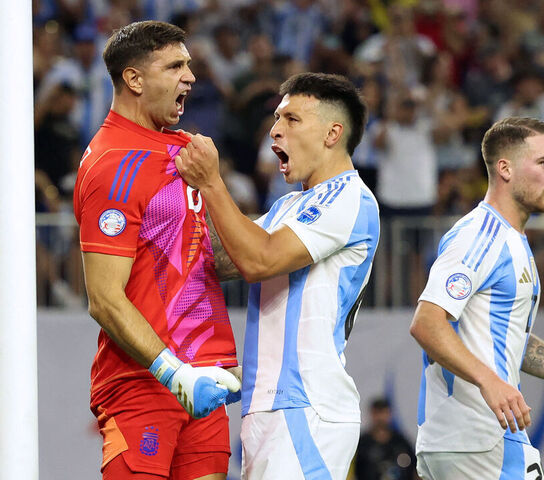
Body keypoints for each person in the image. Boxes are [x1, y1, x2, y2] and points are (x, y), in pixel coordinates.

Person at [176, 72, 380, 480]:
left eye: (291, 119)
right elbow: (221, 260)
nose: (275, 129)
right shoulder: (289, 207)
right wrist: (175, 199)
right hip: (269, 407)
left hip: (307, 407)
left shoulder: (349, 198)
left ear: (331, 133)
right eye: (276, 118)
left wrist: (212, 183)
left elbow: (259, 261)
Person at [73, 21, 241, 480]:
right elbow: (104, 297)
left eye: (188, 65)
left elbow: (221, 258)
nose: (190, 76)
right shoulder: (113, 164)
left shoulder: (189, 152)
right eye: (175, 66)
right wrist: (172, 373)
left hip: (205, 379)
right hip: (144, 381)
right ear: (135, 80)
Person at [409, 117, 544, 479]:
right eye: (543, 163)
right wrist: (489, 381)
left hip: (479, 436)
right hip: (478, 435)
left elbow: (498, 334)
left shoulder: (511, 240)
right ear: (505, 168)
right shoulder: (481, 235)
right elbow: (427, 323)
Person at [354, 397, 417, 480]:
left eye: (383, 413)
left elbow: (415, 470)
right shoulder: (362, 444)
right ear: (371, 414)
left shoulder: (401, 442)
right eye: (377, 413)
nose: (380, 418)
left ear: (389, 414)